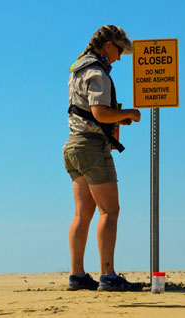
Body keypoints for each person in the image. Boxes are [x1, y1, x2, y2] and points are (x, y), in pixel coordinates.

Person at [63, 25, 142, 291]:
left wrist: (116, 118)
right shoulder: (97, 72)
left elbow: (87, 111)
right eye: (119, 51)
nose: (119, 57)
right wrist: (128, 113)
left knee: (82, 214)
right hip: (92, 147)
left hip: (73, 146)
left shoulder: (77, 69)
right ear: (108, 45)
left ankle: (77, 276)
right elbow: (99, 113)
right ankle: (108, 276)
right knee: (110, 211)